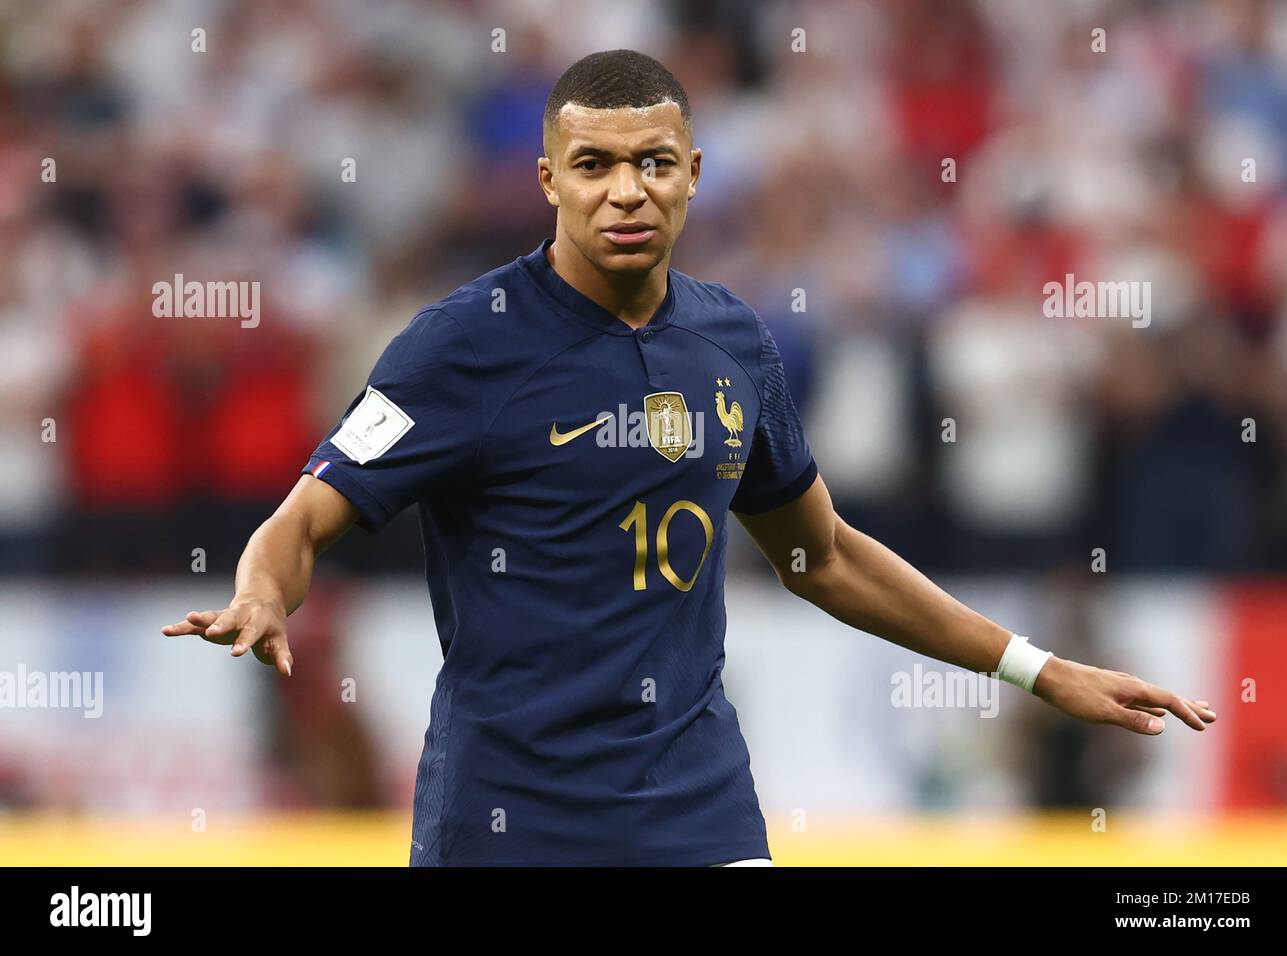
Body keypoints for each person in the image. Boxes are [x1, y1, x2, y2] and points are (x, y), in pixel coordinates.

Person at [162, 49, 1216, 867]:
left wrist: (1037, 667)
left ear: (694, 174)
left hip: (694, 804)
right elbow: (308, 511)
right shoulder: (460, 344)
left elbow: (824, 557)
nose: (627, 189)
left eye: (652, 162)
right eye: (595, 164)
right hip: (508, 813)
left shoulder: (734, 343)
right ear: (547, 180)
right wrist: (262, 588)